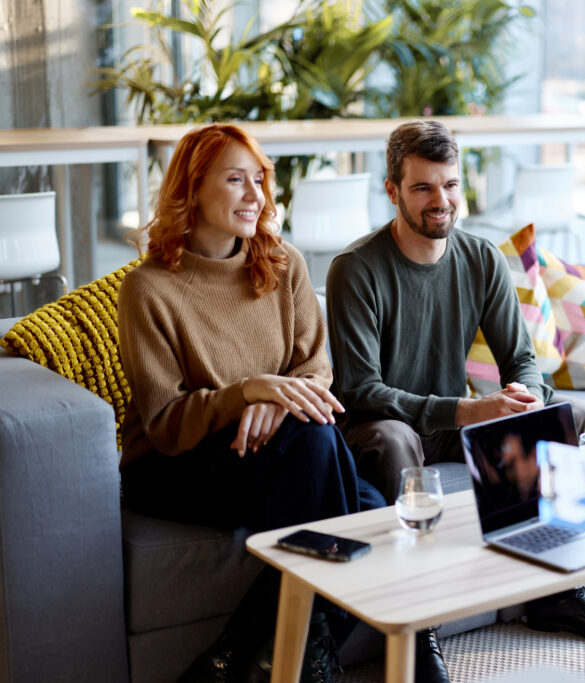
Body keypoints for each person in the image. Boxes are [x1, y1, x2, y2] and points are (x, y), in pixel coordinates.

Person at [325, 120, 585, 683]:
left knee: (577, 417)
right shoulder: (356, 268)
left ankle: (561, 591)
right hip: (378, 428)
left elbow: (521, 358)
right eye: (423, 187)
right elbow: (360, 390)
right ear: (392, 190)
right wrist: (466, 410)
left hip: (449, 422)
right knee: (397, 438)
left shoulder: (482, 259)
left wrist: (524, 397)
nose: (440, 200)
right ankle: (418, 626)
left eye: (449, 185)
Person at [118, 123, 385, 683]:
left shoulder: (281, 262)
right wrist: (247, 393)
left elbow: (315, 367)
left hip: (273, 450)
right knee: (348, 487)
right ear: (192, 189)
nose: (255, 194)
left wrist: (278, 400)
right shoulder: (149, 288)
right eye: (235, 180)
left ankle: (236, 656)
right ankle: (296, 658)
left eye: (258, 179)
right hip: (176, 465)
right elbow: (165, 423)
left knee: (371, 503)